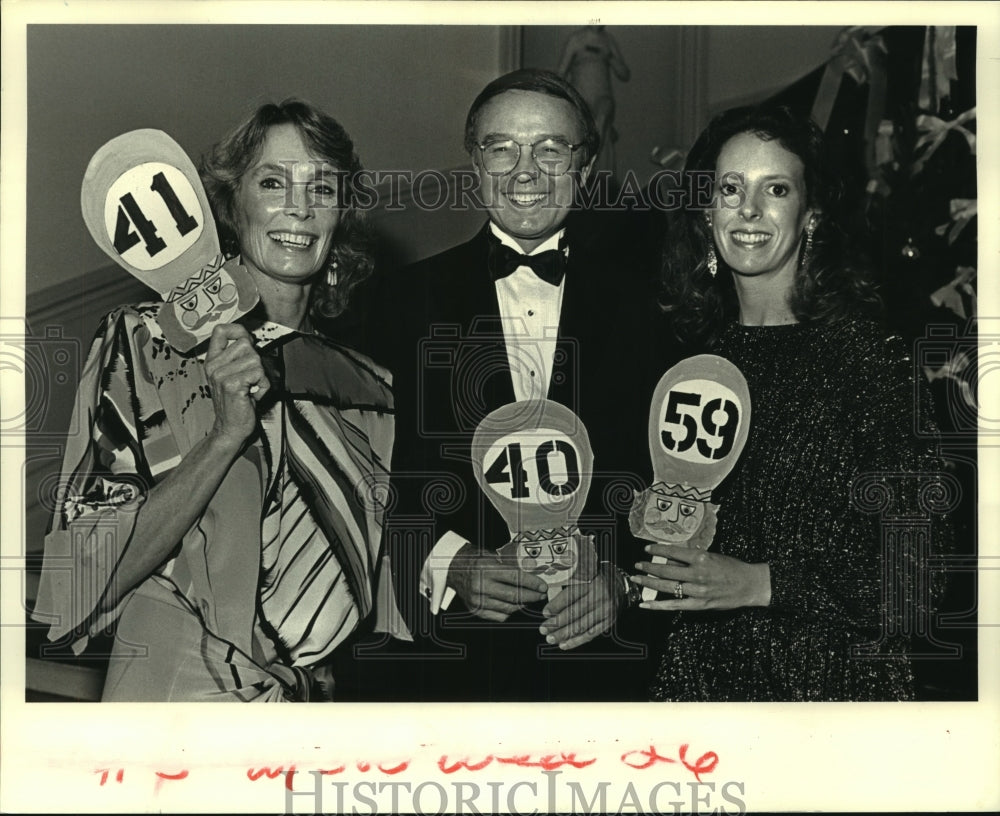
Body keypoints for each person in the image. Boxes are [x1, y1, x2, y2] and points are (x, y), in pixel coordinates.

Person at [32, 100, 408, 701]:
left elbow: (370, 587)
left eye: (323, 187)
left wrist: (470, 569)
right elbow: (78, 582)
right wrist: (223, 439)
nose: (300, 207)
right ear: (232, 206)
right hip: (174, 715)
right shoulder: (144, 343)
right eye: (272, 181)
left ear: (343, 214)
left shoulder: (370, 387)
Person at [358, 69, 666, 701]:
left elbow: (672, 480)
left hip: (608, 667)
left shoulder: (653, 308)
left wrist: (624, 582)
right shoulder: (396, 303)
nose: (526, 171)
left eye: (551, 149)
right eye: (504, 148)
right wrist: (451, 561)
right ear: (475, 164)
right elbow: (373, 476)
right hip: (454, 670)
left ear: (584, 165)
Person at [634, 104, 951, 701]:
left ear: (810, 215)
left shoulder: (868, 360)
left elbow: (920, 577)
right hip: (700, 689)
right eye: (731, 188)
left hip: (830, 693)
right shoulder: (692, 364)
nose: (749, 210)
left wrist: (761, 584)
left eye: (775, 189)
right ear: (707, 214)